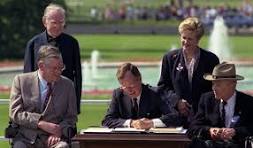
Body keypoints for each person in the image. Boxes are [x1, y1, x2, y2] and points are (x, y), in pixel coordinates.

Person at [10, 45, 77, 148]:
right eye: (54, 68)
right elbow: (15, 113)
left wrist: (58, 131)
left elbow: (71, 117)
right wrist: (39, 123)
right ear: (41, 66)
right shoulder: (21, 81)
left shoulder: (68, 85)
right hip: (26, 138)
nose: (58, 72)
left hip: (55, 139)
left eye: (61, 68)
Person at [157, 17, 219, 128]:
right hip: (176, 116)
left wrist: (201, 106)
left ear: (198, 40)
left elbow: (214, 88)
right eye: (183, 37)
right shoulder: (170, 58)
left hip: (203, 117)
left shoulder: (211, 59)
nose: (185, 42)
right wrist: (177, 102)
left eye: (190, 39)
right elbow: (163, 87)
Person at [23, 3, 82, 114]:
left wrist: (76, 106)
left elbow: (77, 76)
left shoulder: (72, 43)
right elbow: (27, 77)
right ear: (45, 22)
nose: (58, 26)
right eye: (54, 22)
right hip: (38, 104)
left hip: (65, 102)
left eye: (61, 22)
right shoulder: (33, 44)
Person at [187, 62, 253, 148]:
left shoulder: (248, 102)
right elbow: (193, 128)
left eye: (217, 84)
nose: (213, 88)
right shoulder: (206, 99)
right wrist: (210, 130)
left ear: (232, 84)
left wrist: (235, 131)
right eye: (213, 84)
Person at [102, 63, 182, 129]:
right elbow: (107, 121)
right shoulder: (118, 94)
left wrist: (151, 123)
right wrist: (131, 123)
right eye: (125, 87)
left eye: (131, 86)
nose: (129, 90)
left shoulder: (155, 93)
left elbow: (175, 117)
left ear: (139, 79)